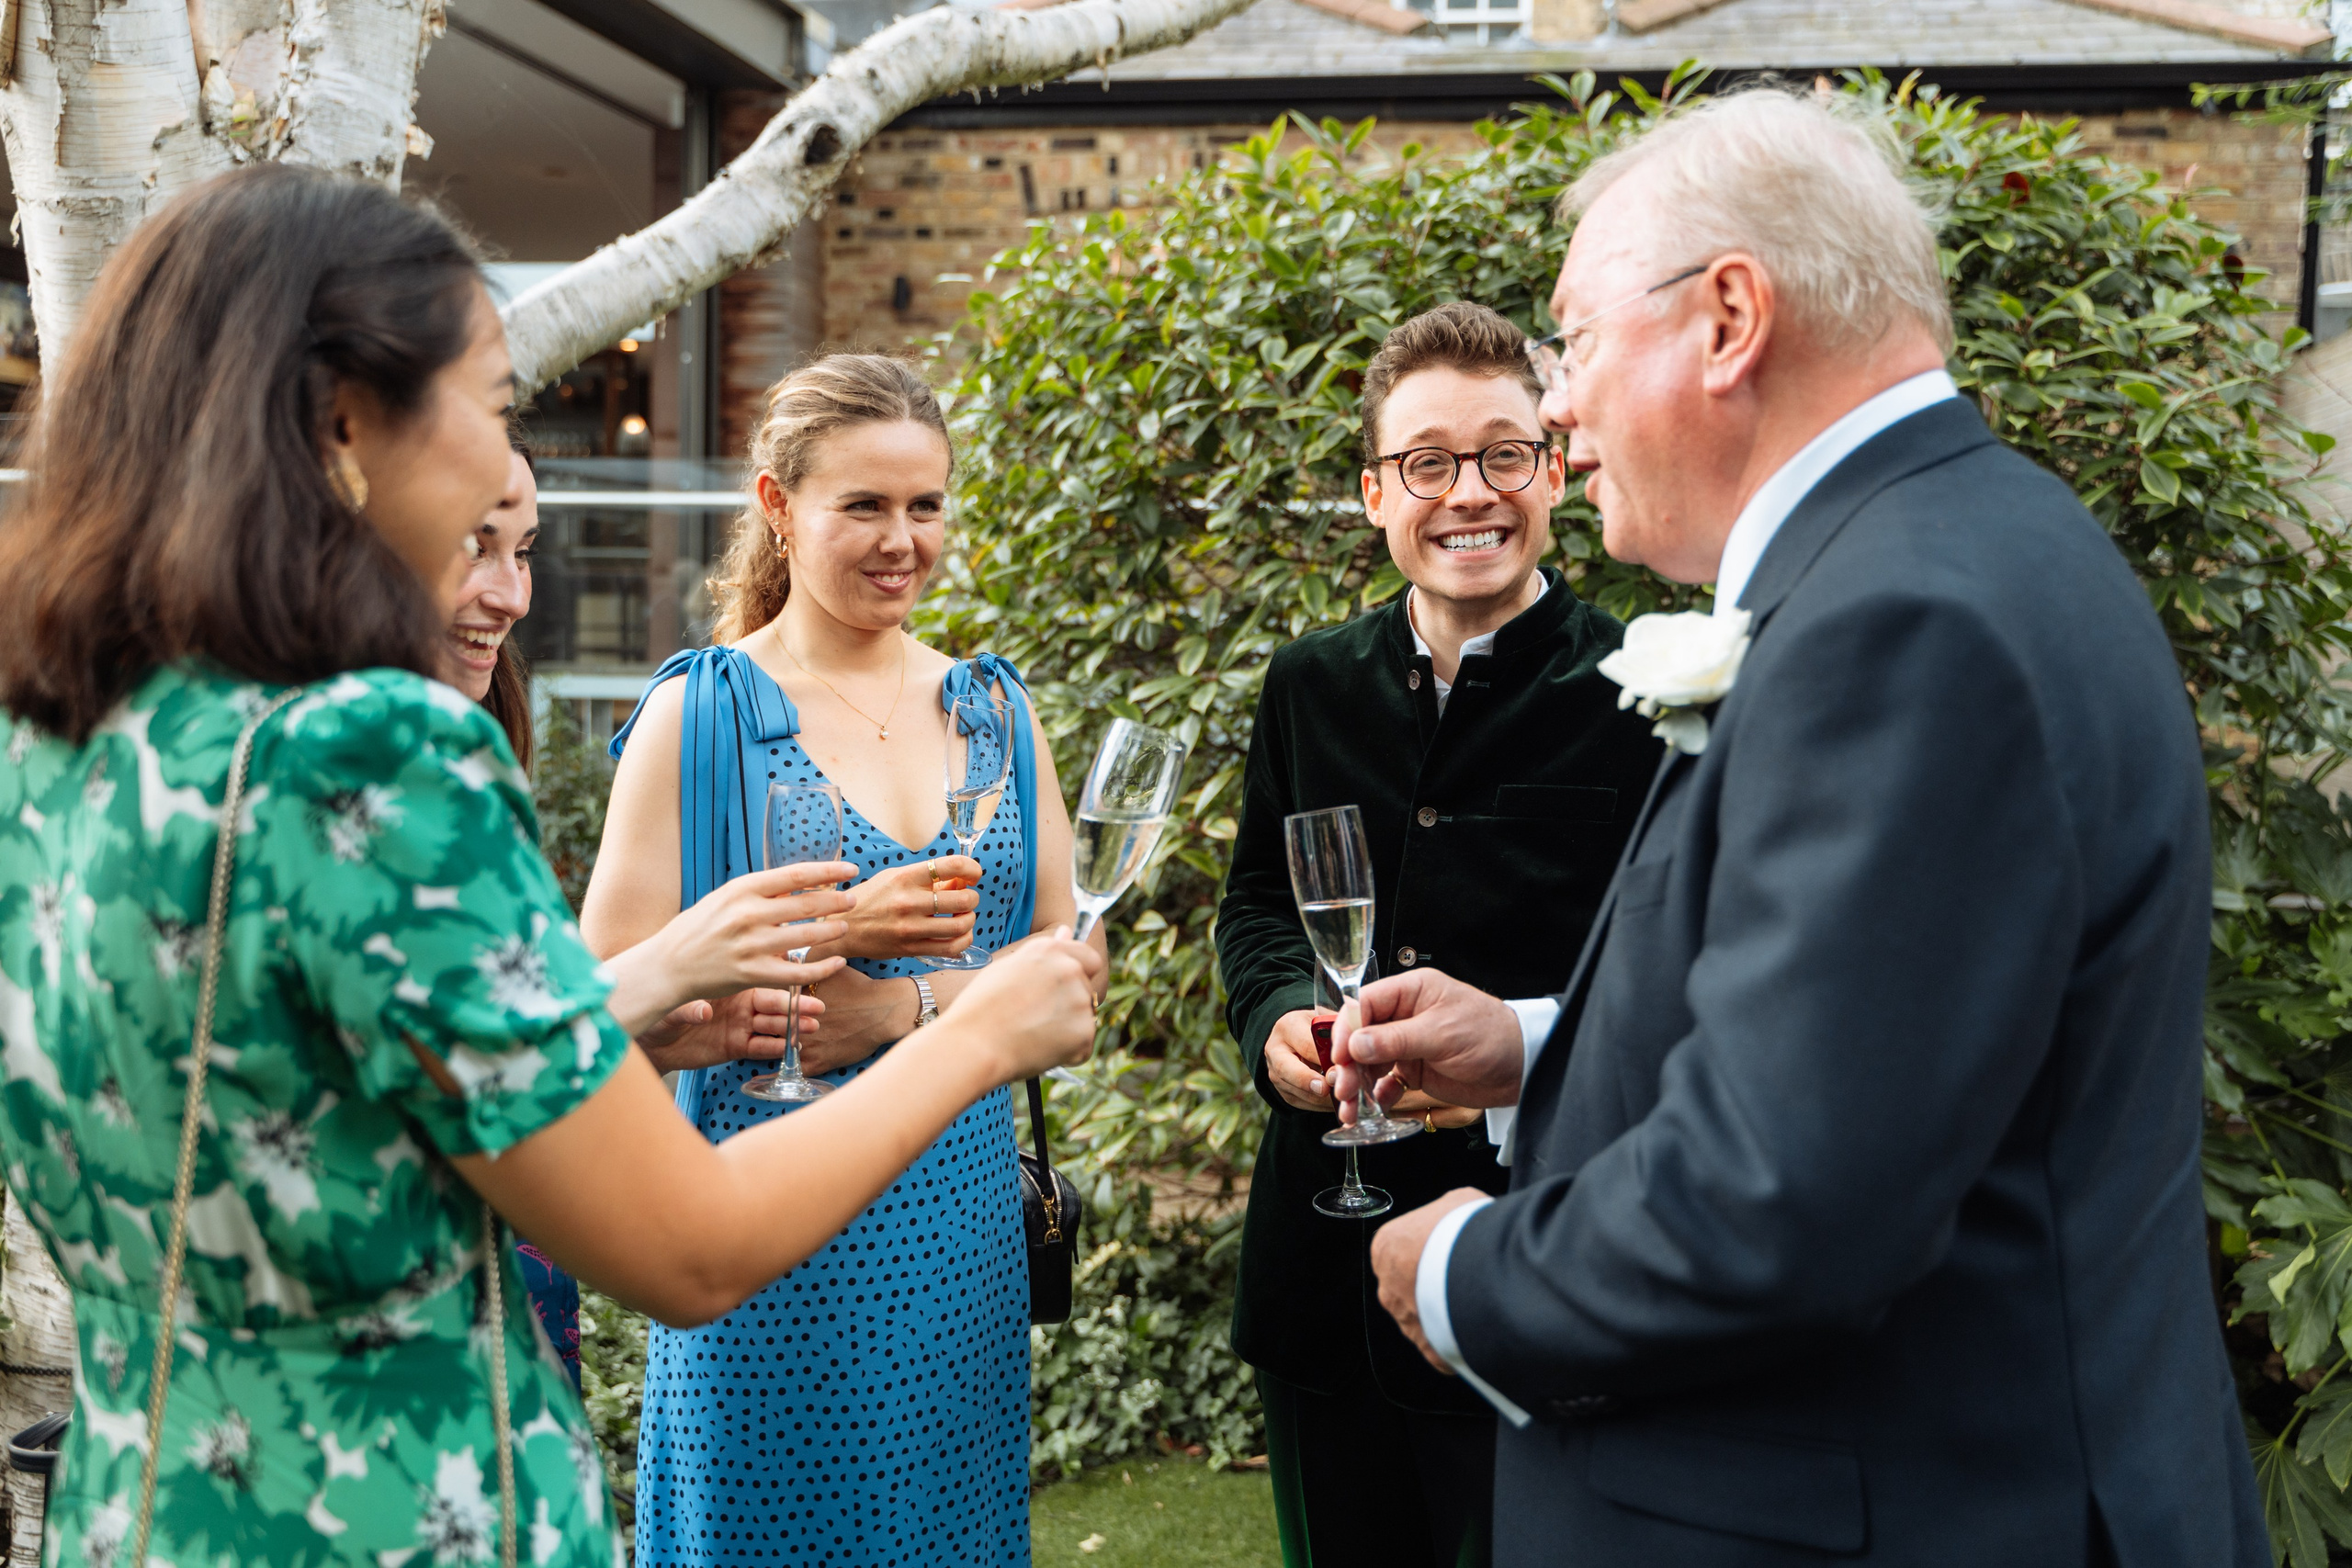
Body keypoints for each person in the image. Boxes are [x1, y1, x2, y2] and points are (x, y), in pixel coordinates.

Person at [0, 165, 1102, 1566]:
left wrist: (631, 1001)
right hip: (401, 1515)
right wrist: (976, 1029)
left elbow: (312, 1090)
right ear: (346, 424)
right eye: (498, 407)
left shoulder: (51, 747)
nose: (501, 471)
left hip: (144, 1505)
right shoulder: (376, 753)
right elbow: (686, 1249)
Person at [1332, 88, 2267, 1565]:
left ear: (1727, 320)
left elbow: (1780, 1199)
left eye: (1571, 342)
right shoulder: (1966, 540)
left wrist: (1459, 1272)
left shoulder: (1902, 621)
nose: (1558, 405)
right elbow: (1890, 1038)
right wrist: (1533, 1048)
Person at [582, 353, 1102, 1568]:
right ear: (776, 506)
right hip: (762, 1247)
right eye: (862, 506)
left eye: (925, 505)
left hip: (959, 1248)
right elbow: (605, 1009)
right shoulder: (701, 715)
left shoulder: (991, 711)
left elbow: (1074, 966)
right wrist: (840, 928)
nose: (901, 540)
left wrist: (903, 1010)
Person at [1216, 301, 1659, 1568]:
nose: (1468, 493)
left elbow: (1672, 979)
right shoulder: (1306, 685)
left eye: (1502, 455)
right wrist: (1271, 1034)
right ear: (1375, 494)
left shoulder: (1643, 694)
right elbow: (1254, 909)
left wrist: (1498, 1080)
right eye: (1426, 463)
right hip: (1317, 1273)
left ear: (1554, 472)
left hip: (1542, 1258)